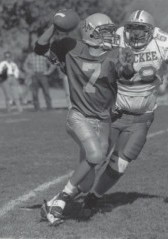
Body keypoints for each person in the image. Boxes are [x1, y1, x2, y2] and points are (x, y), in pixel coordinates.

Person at [81, 10, 168, 211]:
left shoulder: (162, 40)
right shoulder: (115, 37)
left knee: (123, 160)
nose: (135, 35)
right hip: (114, 110)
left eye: (140, 30)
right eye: (131, 29)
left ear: (151, 31)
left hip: (142, 116)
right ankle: (69, 193)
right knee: (97, 154)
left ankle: (94, 195)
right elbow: (92, 50)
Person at [36, 11, 135, 225]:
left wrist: (128, 65)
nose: (110, 36)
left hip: (103, 120)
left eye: (110, 32)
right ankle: (61, 202)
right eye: (105, 32)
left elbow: (127, 75)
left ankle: (52, 204)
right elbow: (40, 48)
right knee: (97, 155)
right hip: (78, 115)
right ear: (91, 33)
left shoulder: (116, 54)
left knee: (86, 184)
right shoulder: (71, 46)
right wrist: (55, 25)